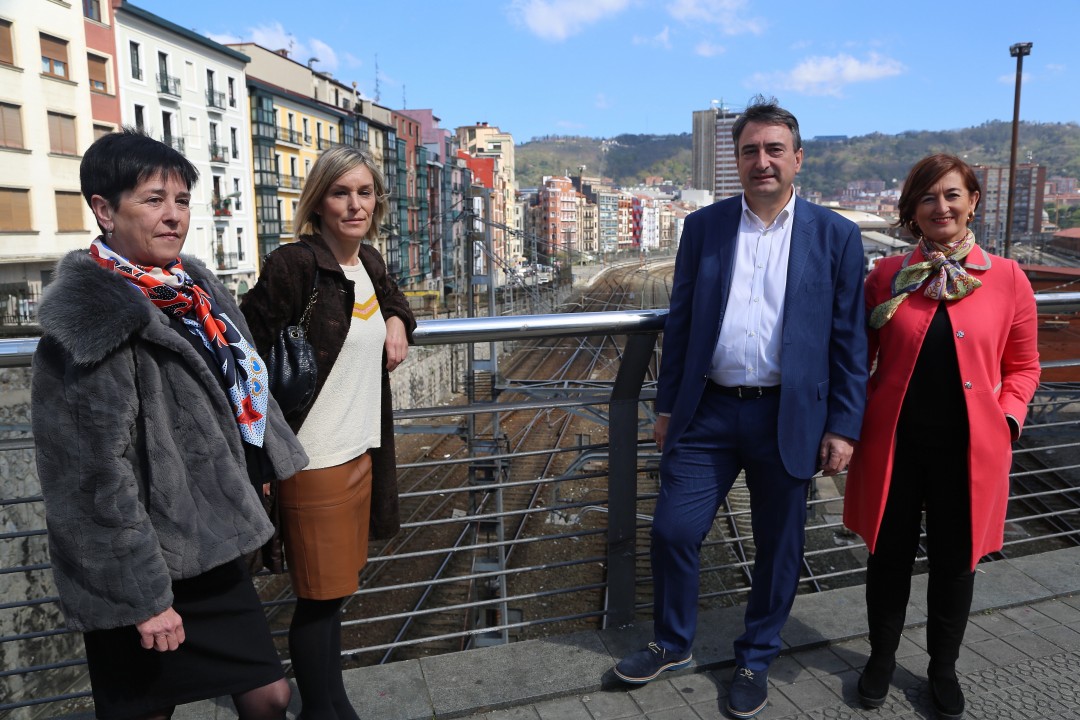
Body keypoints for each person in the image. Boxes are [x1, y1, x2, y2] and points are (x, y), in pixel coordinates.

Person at [32, 128, 309, 720]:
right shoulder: (94, 316)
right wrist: (143, 598)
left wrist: (257, 464)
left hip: (207, 543)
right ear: (105, 211)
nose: (174, 215)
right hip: (141, 560)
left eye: (181, 200)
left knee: (270, 695)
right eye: (153, 199)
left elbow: (235, 391)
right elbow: (87, 477)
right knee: (148, 711)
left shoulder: (194, 292)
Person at [612, 96, 868, 720]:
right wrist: (666, 407)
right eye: (750, 150)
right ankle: (673, 642)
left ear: (798, 159)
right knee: (673, 529)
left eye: (774, 149)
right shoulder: (705, 227)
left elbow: (850, 339)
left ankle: (756, 656)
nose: (762, 161)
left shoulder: (835, 235)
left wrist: (843, 426)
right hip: (709, 410)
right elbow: (682, 322)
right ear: (736, 160)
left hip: (789, 413)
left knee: (779, 545)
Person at [844, 154, 1040, 718]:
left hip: (969, 451)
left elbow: (1024, 367)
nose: (941, 207)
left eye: (952, 194)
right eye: (928, 197)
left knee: (956, 563)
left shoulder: (1007, 277)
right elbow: (857, 361)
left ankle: (942, 668)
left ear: (973, 201)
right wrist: (847, 424)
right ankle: (881, 658)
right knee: (888, 557)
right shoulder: (886, 277)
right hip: (895, 446)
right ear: (913, 209)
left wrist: (1008, 418)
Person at [241, 145, 415, 720]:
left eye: (365, 193)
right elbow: (243, 350)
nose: (355, 204)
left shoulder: (369, 263)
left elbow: (393, 300)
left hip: (360, 453)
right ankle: (324, 710)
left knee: (334, 595)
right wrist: (258, 455)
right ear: (318, 202)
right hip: (312, 461)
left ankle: (334, 705)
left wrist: (397, 320)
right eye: (341, 193)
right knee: (319, 600)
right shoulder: (294, 265)